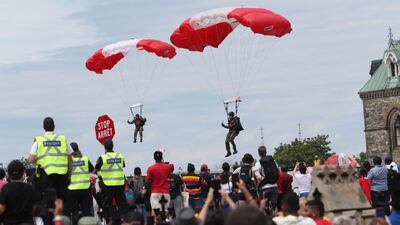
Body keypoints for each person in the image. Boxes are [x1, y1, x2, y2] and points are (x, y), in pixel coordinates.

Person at [28, 117, 72, 220]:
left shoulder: (39, 140)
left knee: (48, 203)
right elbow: (70, 158)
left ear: (44, 127)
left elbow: (30, 159)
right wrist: (70, 174)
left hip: (46, 176)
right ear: (54, 126)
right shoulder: (62, 139)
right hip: (62, 175)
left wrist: (38, 160)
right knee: (63, 202)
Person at [0, 160, 41, 225]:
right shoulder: (30, 188)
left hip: (10, 222)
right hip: (27, 222)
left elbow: (1, 209)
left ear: (8, 174)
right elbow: (35, 208)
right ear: (23, 173)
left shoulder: (6, 188)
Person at [95, 139, 128, 221]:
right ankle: (124, 220)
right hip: (119, 184)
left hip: (107, 185)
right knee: (122, 205)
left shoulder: (102, 158)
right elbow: (123, 165)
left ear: (104, 147)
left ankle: (110, 221)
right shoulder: (120, 156)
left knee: (107, 205)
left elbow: (96, 169)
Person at [68, 142, 95, 225]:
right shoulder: (85, 159)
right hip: (85, 188)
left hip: (73, 189)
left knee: (74, 212)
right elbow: (92, 170)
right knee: (87, 211)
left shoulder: (68, 161)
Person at [146, 150, 174, 216]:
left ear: (154, 158)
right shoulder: (167, 167)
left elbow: (148, 180)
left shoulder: (150, 168)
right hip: (165, 192)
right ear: (162, 158)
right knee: (165, 213)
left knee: (155, 213)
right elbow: (172, 166)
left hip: (155, 192)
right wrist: (163, 162)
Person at [255, 146, 279, 213]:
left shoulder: (258, 163)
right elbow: (277, 171)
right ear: (266, 152)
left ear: (259, 153)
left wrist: (257, 185)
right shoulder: (273, 161)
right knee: (275, 205)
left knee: (264, 206)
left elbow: (258, 177)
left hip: (265, 187)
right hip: (274, 186)